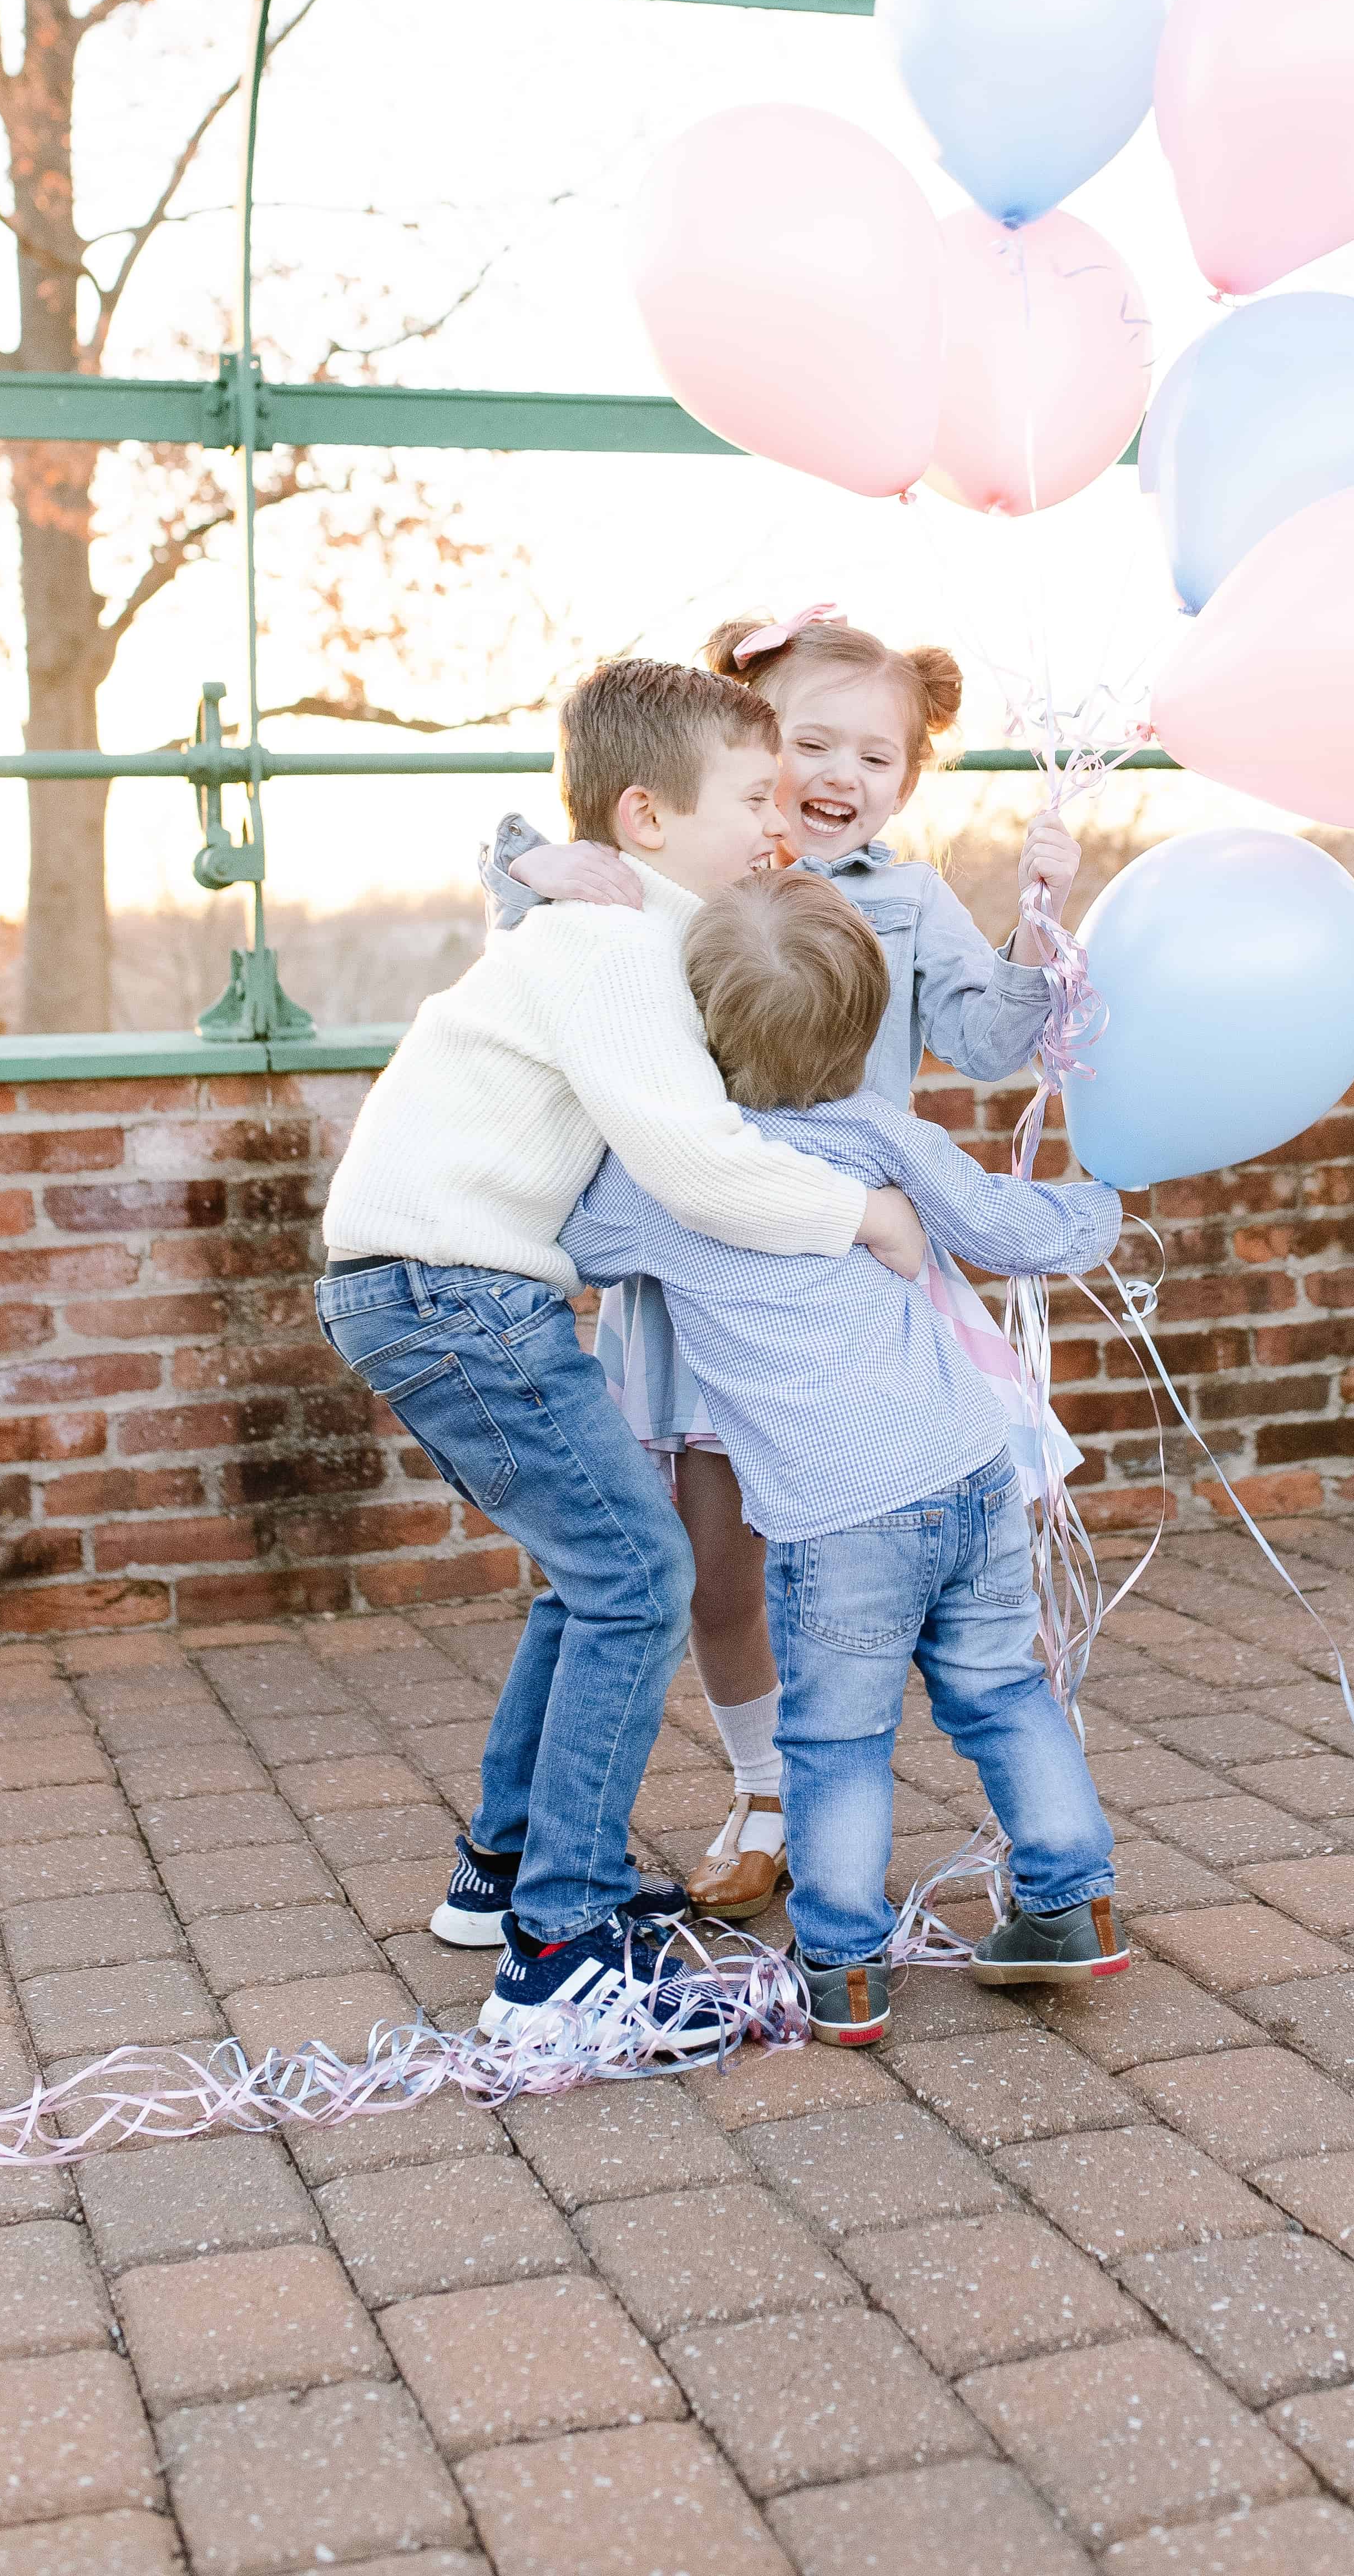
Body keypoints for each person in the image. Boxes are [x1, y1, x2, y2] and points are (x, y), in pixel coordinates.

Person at [314, 655, 928, 2052]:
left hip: (442, 1285)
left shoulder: (610, 929)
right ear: (645, 818)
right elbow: (694, 1161)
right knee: (643, 1571)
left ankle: (502, 1878)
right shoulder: (611, 945)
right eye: (753, 798)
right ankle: (559, 1954)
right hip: (450, 1287)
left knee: (592, 1572)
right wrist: (863, 1215)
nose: (774, 826)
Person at [481, 606, 1080, 1922]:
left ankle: (854, 1796)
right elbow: (537, 888)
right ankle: (764, 1790)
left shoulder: (908, 899)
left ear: (909, 781)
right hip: (694, 1262)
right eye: (810, 744)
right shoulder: (683, 876)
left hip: (850, 1274)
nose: (839, 779)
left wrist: (1038, 923)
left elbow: (986, 1045)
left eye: (878, 758)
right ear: (752, 746)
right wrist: (529, 869)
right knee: (712, 1557)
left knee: (877, 1532)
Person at [563, 865, 1129, 2047]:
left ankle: (841, 1962)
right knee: (1003, 1692)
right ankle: (1073, 1905)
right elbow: (1003, 1228)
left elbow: (571, 1241)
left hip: (839, 1518)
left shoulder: (679, 1174)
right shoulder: (882, 1133)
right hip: (974, 1470)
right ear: (870, 1023)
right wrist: (1106, 1204)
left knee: (837, 1740)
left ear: (695, 1031)